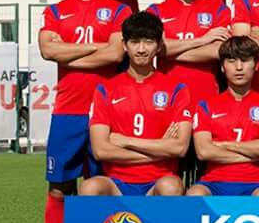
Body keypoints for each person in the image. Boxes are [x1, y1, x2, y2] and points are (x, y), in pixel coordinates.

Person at [38, 0, 129, 223]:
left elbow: (114, 55)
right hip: (68, 112)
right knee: (59, 189)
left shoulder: (118, 11)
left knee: (100, 187)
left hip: (107, 113)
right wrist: (96, 48)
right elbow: (48, 51)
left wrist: (70, 51)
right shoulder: (56, 11)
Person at [82, 12, 191, 198]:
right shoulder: (105, 89)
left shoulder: (177, 89)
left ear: (159, 45)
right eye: (134, 42)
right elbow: (100, 150)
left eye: (148, 42)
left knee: (171, 186)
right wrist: (160, 149)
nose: (141, 49)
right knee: (89, 187)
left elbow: (179, 148)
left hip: (158, 180)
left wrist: (125, 141)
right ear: (124, 45)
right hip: (117, 182)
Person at [188, 36, 259, 196]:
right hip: (213, 182)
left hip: (255, 182)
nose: (239, 67)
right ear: (222, 67)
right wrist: (253, 151)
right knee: (194, 194)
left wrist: (223, 145)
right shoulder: (205, 106)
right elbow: (204, 152)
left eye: (245, 61)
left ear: (256, 65)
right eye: (232, 61)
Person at [146, 0, 231, 103]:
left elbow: (217, 51)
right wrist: (201, 41)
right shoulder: (155, 11)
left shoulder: (220, 10)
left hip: (205, 96)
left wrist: (169, 52)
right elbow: (156, 48)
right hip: (165, 97)